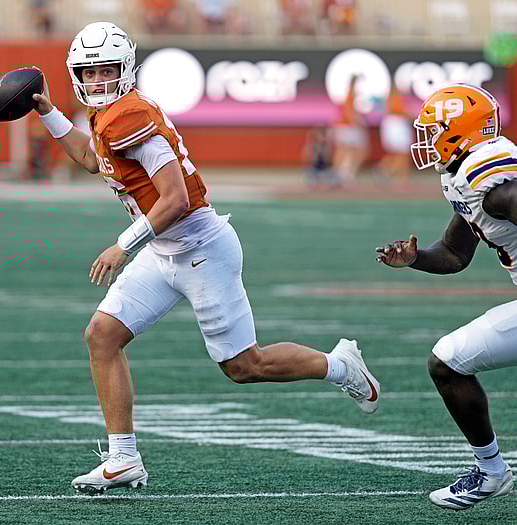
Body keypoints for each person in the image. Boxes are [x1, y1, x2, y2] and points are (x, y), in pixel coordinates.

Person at [31, 21, 381, 495]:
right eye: (88, 73)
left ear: (126, 68)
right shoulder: (108, 114)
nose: (96, 81)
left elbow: (175, 199)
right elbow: (94, 161)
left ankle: (341, 365)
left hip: (200, 250)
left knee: (244, 367)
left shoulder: (129, 116)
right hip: (163, 251)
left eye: (105, 70)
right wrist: (50, 111)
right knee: (102, 335)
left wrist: (122, 245)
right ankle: (123, 459)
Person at [376, 83, 515, 510]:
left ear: (460, 130)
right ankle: (492, 473)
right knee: (447, 361)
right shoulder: (466, 176)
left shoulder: (490, 178)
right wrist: (414, 259)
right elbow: (456, 254)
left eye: (434, 130)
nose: (427, 140)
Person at [377, 87, 412, 189]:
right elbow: (398, 110)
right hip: (397, 123)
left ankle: (394, 174)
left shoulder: (393, 95)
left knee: (398, 153)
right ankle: (388, 172)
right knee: (402, 152)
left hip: (393, 124)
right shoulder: (394, 95)